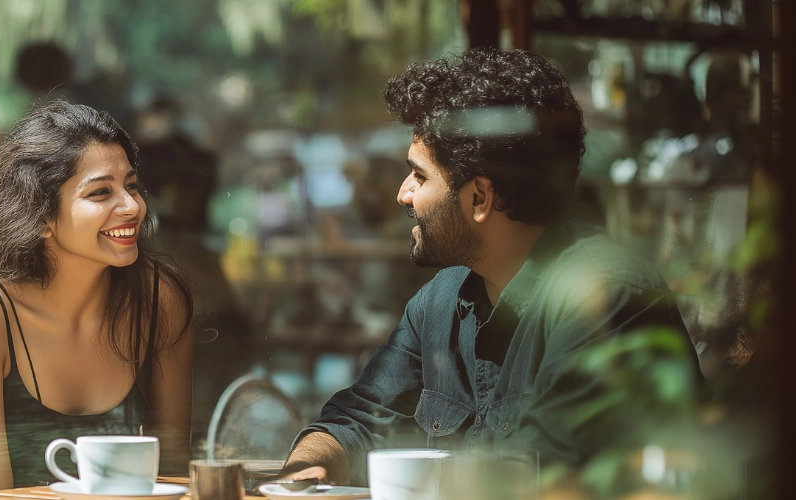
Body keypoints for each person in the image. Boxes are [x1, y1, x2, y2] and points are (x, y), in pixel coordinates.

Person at [279, 48, 705, 486]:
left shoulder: (606, 297)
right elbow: (359, 418)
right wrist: (302, 473)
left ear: (480, 198)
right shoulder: (442, 299)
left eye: (420, 177)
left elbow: (538, 479)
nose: (403, 195)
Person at [0, 100, 195, 493]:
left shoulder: (159, 300)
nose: (132, 206)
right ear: (41, 217)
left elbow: (170, 473)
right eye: (101, 192)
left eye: (131, 186)